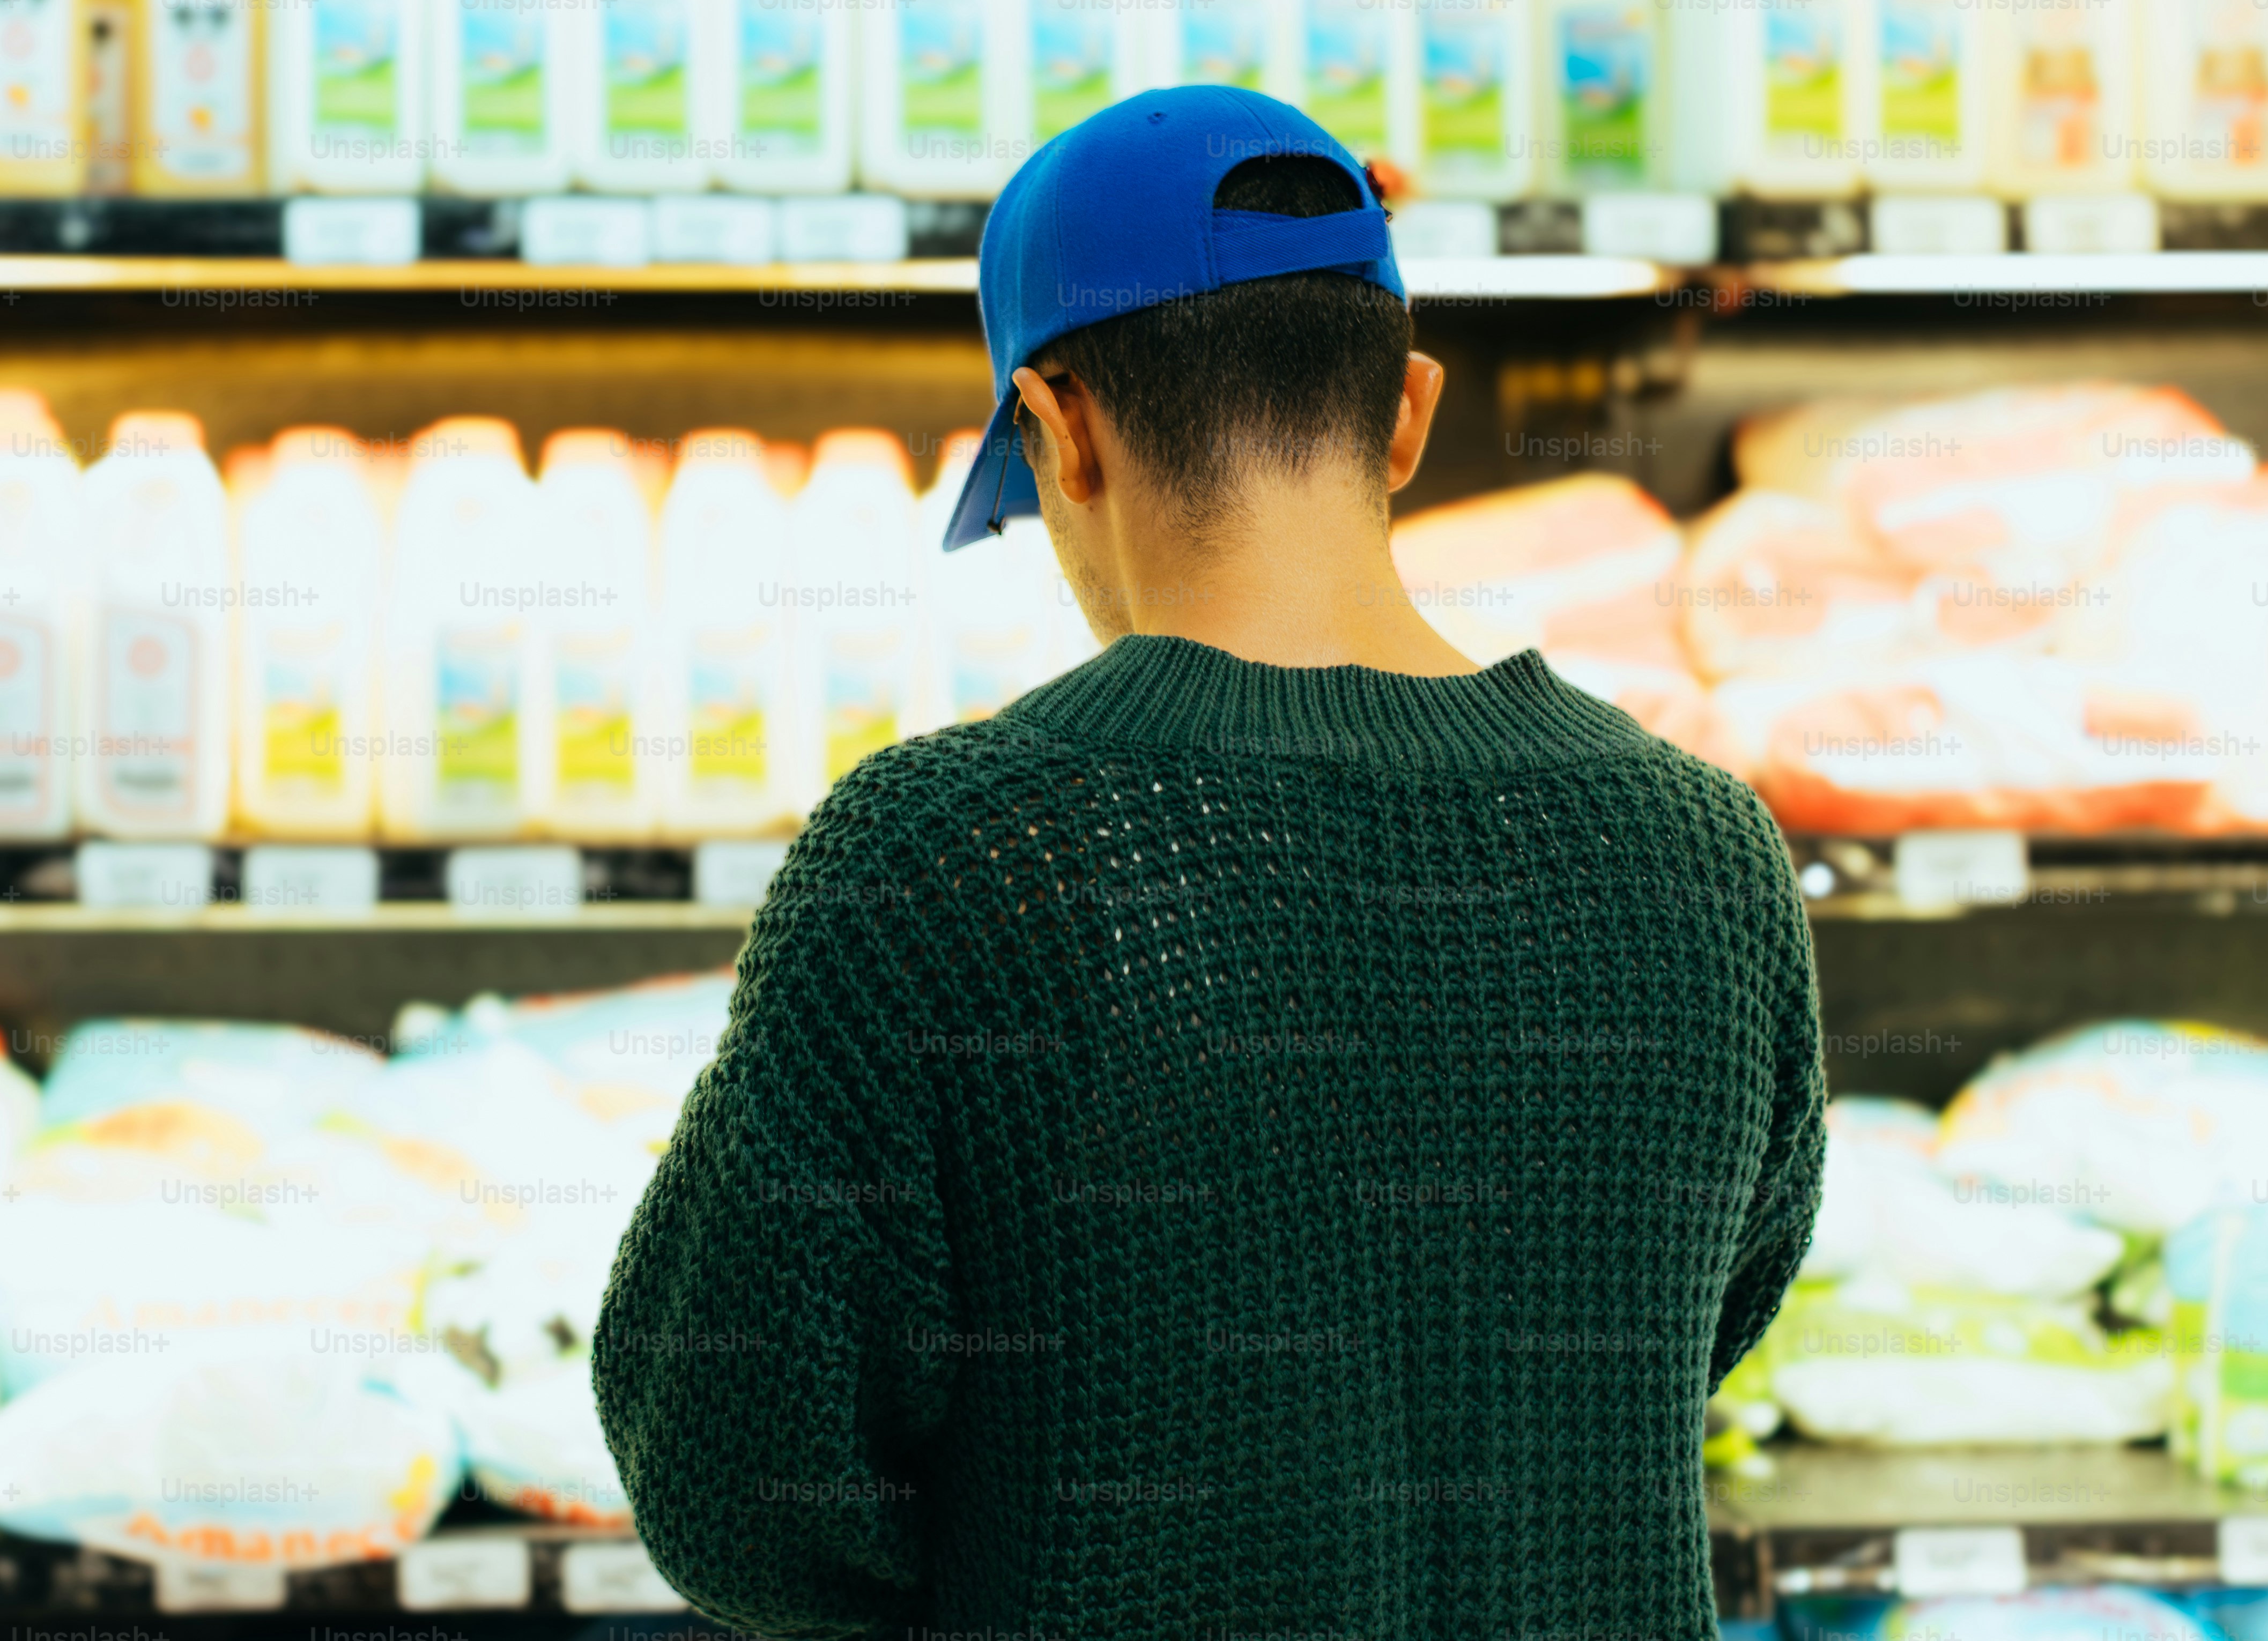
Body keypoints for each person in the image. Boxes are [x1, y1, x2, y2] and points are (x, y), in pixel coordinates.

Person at [594, 86, 1824, 1639]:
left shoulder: (945, 852)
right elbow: (1704, 1318)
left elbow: (733, 1477)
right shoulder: (1707, 849)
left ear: (1059, 433)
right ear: (1407, 415)